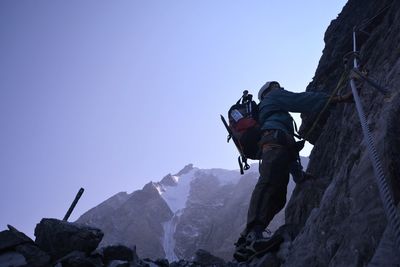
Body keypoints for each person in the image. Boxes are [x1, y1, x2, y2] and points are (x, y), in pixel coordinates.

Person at [233, 81, 353, 261]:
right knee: (269, 184)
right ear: (268, 91)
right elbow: (300, 100)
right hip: (274, 143)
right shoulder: (273, 97)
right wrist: (337, 98)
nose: (279, 88)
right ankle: (251, 236)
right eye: (275, 86)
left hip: (277, 144)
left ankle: (249, 241)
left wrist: (299, 175)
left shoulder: (274, 113)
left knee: (278, 195)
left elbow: (288, 152)